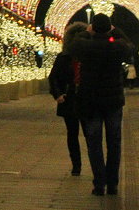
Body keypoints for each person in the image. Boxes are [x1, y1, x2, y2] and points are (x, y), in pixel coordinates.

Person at [73, 13, 134, 196]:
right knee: (114, 142)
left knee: (94, 143)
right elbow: (129, 45)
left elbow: (73, 44)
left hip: (91, 100)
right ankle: (113, 183)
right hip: (113, 101)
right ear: (109, 28)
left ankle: (99, 183)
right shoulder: (116, 47)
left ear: (92, 27)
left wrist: (86, 32)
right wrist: (115, 31)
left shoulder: (86, 46)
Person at [47, 21, 88, 176]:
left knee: (89, 134)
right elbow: (53, 78)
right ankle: (76, 165)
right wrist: (58, 95)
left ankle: (92, 164)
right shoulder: (63, 57)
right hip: (69, 98)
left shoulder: (88, 56)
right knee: (73, 133)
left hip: (85, 99)